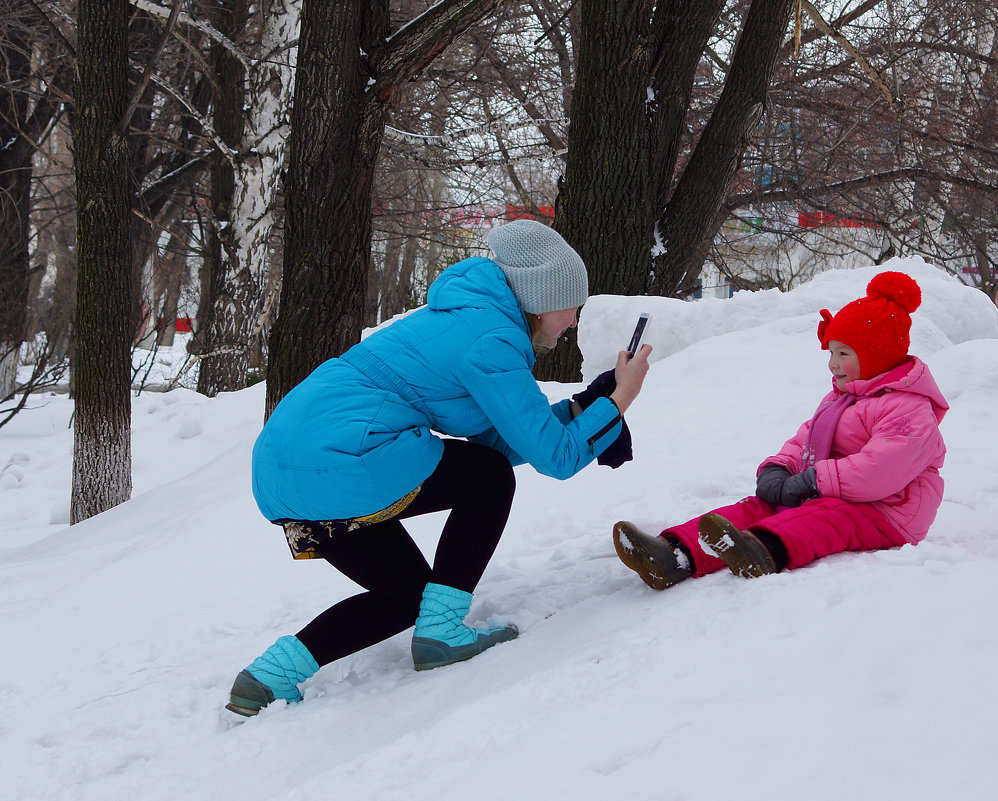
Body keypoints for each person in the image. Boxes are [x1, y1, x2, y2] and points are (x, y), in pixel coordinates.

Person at [226, 219, 651, 716]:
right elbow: (551, 458)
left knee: (404, 594)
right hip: (348, 458)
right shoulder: (494, 338)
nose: (574, 320)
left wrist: (582, 412)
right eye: (572, 306)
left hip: (285, 474)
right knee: (490, 479)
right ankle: (443, 633)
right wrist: (620, 399)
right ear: (541, 298)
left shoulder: (463, 318)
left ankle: (267, 678)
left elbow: (511, 439)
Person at [613, 271, 947, 589]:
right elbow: (807, 438)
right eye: (831, 352)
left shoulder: (909, 408)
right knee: (756, 506)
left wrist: (814, 481)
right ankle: (673, 554)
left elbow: (880, 470)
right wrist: (779, 469)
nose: (832, 363)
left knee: (826, 516)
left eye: (843, 353)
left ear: (878, 356)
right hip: (834, 489)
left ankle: (760, 550)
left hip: (886, 510)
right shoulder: (843, 398)